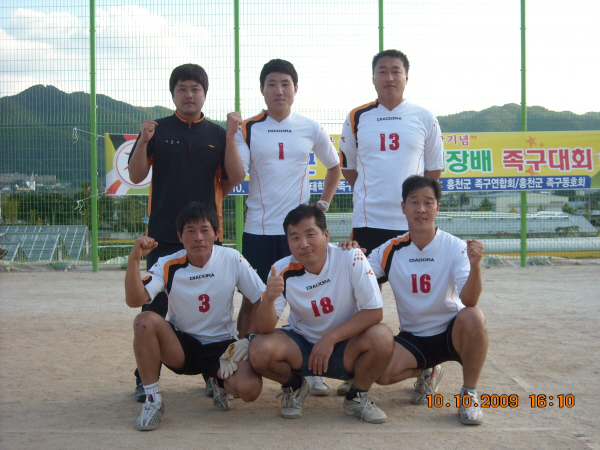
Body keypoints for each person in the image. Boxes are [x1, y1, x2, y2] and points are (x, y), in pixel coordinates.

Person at [127, 63, 246, 400]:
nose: (189, 94)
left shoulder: (217, 134)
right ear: (173, 94)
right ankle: (145, 379)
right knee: (153, 307)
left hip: (206, 238)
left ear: (204, 94)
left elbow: (235, 177)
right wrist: (143, 141)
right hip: (163, 236)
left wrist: (231, 137)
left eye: (195, 88)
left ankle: (212, 372)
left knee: (209, 308)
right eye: (182, 89)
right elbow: (135, 176)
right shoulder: (157, 129)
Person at [336, 48, 445, 396]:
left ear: (406, 77)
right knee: (359, 300)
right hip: (368, 223)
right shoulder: (357, 117)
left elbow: (432, 173)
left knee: (418, 299)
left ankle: (429, 366)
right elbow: (349, 169)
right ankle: (357, 370)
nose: (389, 77)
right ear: (373, 77)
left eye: (396, 71)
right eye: (382, 71)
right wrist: (372, 194)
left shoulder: (424, 117)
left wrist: (413, 206)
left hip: (410, 225)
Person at [236, 59, 342, 395]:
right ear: (262, 89)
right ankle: (237, 364)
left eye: (285, 84)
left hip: (297, 235)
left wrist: (323, 204)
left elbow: (335, 167)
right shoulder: (248, 128)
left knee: (308, 296)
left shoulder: (310, 127)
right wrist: (229, 134)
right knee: (253, 300)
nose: (278, 90)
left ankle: (312, 368)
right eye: (272, 84)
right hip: (258, 229)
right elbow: (236, 172)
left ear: (296, 89)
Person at [124, 202, 264, 431]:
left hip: (222, 347)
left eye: (204, 230)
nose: (198, 237)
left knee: (250, 390)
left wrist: (248, 338)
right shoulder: (168, 263)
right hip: (183, 346)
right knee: (144, 321)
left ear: (216, 234)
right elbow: (134, 300)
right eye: (190, 231)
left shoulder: (231, 258)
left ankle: (218, 381)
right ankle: (153, 400)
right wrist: (134, 259)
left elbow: (260, 298)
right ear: (180, 236)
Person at [248, 204, 393, 423]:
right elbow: (264, 328)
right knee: (259, 348)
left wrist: (331, 338)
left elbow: (374, 312)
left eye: (310, 234)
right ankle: (294, 386)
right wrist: (268, 299)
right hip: (303, 344)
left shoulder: (351, 256)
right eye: (295, 238)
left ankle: (357, 396)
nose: (303, 244)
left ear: (326, 235)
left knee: (382, 337)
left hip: (346, 345)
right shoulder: (281, 269)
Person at [370, 176, 488, 425]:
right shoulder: (389, 250)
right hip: (413, 337)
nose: (421, 209)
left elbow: (469, 300)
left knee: (474, 316)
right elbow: (359, 274)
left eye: (428, 202)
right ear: (403, 207)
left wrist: (475, 265)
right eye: (414, 202)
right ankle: (429, 370)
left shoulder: (455, 247)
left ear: (438, 207)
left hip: (450, 333)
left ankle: (469, 393)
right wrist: (349, 253)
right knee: (380, 374)